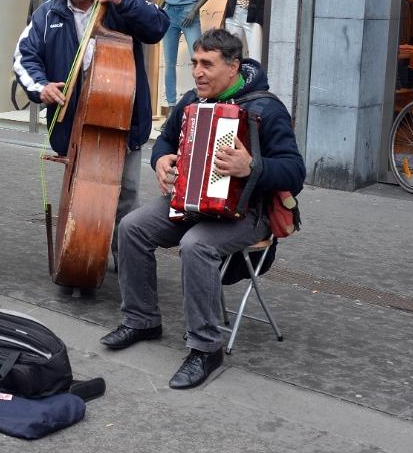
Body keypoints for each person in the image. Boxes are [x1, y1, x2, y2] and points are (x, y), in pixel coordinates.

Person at [99, 29, 305, 389]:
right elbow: (165, 138)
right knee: (131, 226)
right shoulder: (193, 100)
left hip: (247, 211)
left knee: (197, 244)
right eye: (195, 63)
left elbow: (295, 171)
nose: (198, 72)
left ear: (233, 67)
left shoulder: (265, 108)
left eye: (207, 64)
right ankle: (141, 319)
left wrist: (251, 167)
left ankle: (206, 348)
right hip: (191, 202)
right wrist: (161, 160)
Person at [13, 0, 169, 261]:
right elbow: (23, 59)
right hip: (72, 122)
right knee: (82, 195)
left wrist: (124, 3)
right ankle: (81, 254)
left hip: (120, 119)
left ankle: (126, 260)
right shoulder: (47, 14)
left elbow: (158, 26)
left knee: (125, 195)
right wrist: (41, 88)